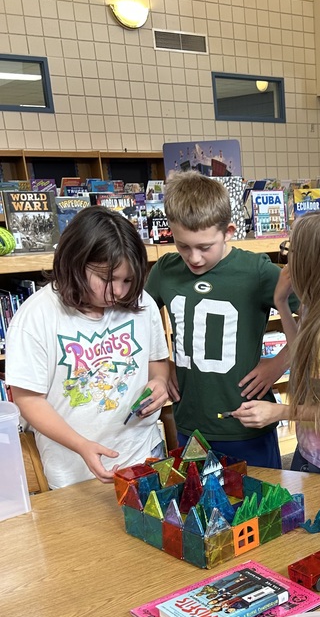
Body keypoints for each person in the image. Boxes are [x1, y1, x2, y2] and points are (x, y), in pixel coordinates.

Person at [5, 207, 170, 489]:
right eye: (107, 279)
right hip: (74, 471)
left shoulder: (141, 303)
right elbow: (28, 400)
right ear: (75, 264)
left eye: (128, 280)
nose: (119, 291)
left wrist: (159, 382)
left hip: (144, 454)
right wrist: (81, 445)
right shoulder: (36, 317)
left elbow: (157, 361)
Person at [145, 171, 296, 469]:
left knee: (258, 507)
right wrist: (162, 368)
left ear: (228, 231)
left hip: (246, 423)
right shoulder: (165, 270)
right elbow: (140, 322)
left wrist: (281, 362)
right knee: (198, 507)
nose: (194, 258)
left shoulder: (256, 271)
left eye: (204, 247)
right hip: (191, 421)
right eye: (182, 246)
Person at [230, 210, 320, 475]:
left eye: (291, 250)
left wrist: (279, 412)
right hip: (316, 441)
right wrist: (281, 304)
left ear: (310, 264)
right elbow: (303, 354)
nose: (286, 257)